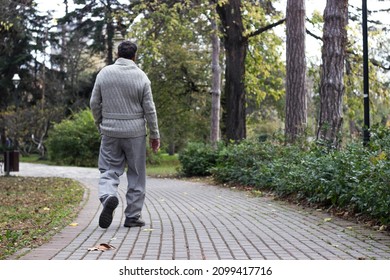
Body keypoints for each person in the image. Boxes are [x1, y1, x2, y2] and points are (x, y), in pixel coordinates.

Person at [90, 41, 160, 229]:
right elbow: (150, 109)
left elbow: (94, 103)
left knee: (108, 170)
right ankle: (132, 216)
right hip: (135, 133)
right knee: (137, 174)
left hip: (110, 131)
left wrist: (100, 123)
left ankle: (107, 196)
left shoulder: (104, 73)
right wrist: (155, 135)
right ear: (134, 56)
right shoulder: (141, 77)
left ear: (117, 54)